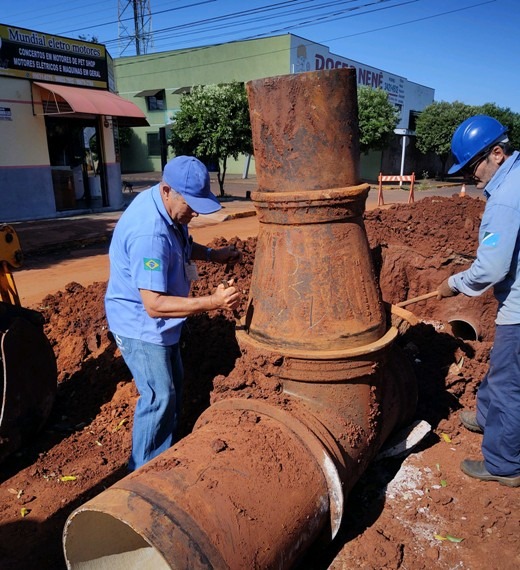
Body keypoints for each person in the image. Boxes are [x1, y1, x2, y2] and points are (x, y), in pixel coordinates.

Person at [105, 156, 241, 471]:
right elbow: (153, 304)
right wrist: (213, 302)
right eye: (190, 205)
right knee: (159, 397)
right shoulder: (148, 233)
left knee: (174, 387)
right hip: (141, 325)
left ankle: (163, 451)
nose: (193, 212)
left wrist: (212, 255)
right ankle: (143, 472)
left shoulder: (166, 210)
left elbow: (179, 244)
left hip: (164, 323)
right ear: (167, 190)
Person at [437, 115, 520, 487]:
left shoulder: (505, 200)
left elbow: (492, 267)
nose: (471, 177)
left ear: (498, 154)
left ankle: (503, 465)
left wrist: (454, 284)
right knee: (502, 373)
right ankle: (488, 418)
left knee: (508, 382)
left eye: (473, 167)